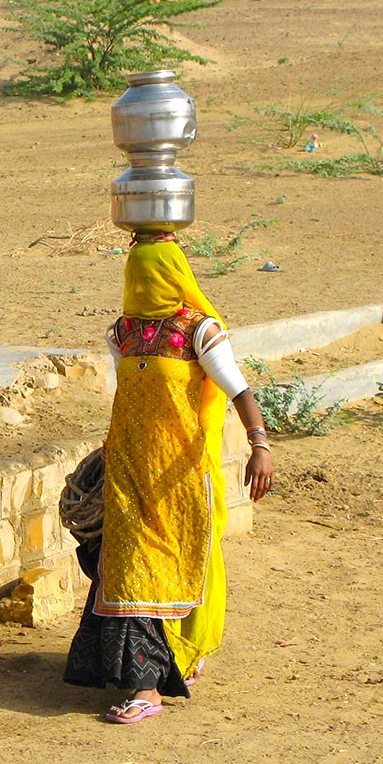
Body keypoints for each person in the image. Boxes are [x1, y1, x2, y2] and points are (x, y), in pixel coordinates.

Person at [63, 233, 274, 723]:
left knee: (164, 570)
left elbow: (238, 391)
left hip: (178, 478)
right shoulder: (122, 333)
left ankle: (154, 681)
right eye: (134, 270)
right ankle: (144, 685)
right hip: (128, 471)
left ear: (172, 275)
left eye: (150, 271)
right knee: (126, 568)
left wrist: (259, 445)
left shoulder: (200, 331)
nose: (139, 280)